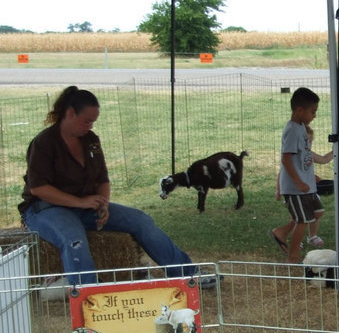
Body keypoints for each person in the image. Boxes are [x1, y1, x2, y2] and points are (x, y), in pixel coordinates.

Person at [19, 86, 214, 289]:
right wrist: (80, 202)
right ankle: (89, 293)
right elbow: (39, 189)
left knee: (140, 220)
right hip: (45, 210)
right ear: (69, 113)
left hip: (83, 207)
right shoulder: (43, 143)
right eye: (86, 121)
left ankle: (187, 273)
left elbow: (102, 179)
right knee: (73, 237)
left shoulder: (91, 141)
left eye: (93, 121)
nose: (90, 126)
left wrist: (102, 204)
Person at [271, 87, 325, 263]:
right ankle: (292, 255)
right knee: (302, 221)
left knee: (317, 212)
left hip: (306, 184)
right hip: (295, 187)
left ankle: (282, 231)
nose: (314, 116)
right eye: (313, 111)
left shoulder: (302, 127)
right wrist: (298, 181)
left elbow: (304, 155)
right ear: (299, 110)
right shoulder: (293, 130)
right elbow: (286, 160)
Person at [273, 124, 332, 249]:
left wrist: (337, 149)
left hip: (309, 190)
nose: (308, 144)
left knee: (317, 212)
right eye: (305, 142)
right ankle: (294, 239)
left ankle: (302, 235)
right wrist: (278, 190)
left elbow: (323, 159)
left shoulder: (308, 153)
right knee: (299, 217)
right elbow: (282, 172)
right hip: (294, 191)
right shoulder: (292, 155)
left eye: (310, 141)